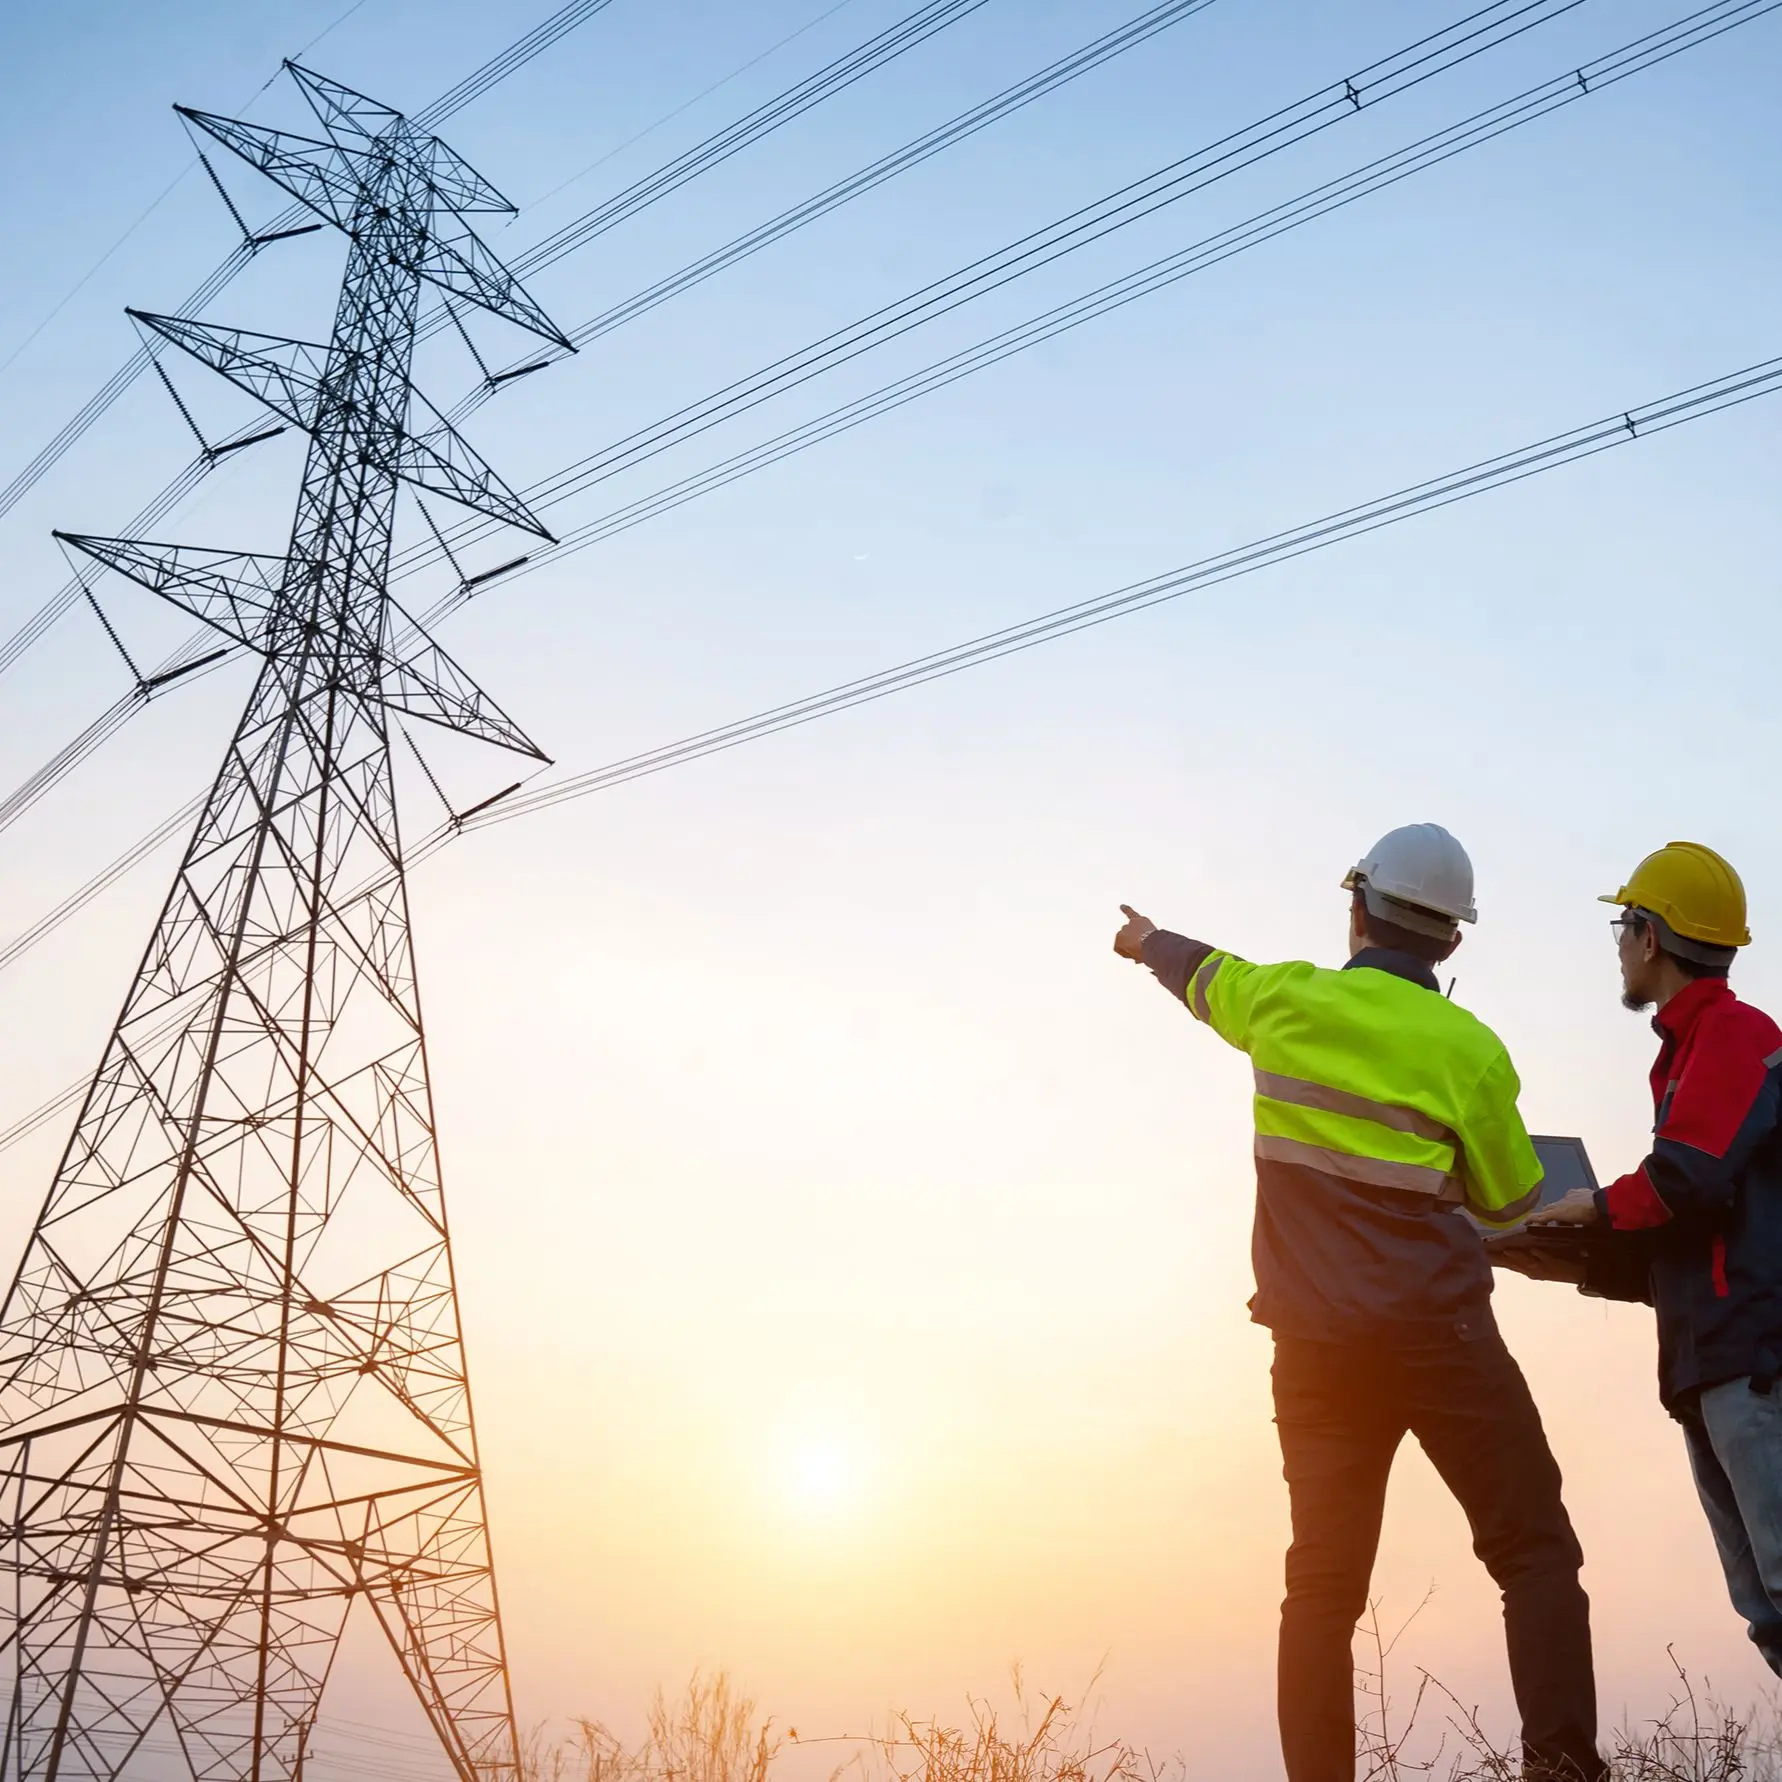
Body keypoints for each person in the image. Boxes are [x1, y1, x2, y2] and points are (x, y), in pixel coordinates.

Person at [1114, 823, 1604, 1782]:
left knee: (1323, 1589)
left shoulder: (1282, 999)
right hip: (1444, 1339)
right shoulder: (1471, 1050)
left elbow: (1198, 969)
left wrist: (1145, 941)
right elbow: (1511, 1205)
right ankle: (1562, 1769)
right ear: (1452, 941)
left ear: (1356, 910)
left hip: (1317, 1350)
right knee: (1533, 1554)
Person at [1531, 842, 1782, 1674]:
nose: (1617, 945)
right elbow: (1697, 1237)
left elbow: (1687, 1180)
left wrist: (1595, 1209)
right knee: (1767, 1613)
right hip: (1711, 1364)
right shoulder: (1688, 1049)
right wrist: (1561, 1254)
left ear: (1648, 934)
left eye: (1621, 925)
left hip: (1753, 1363)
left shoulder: (1735, 1035)